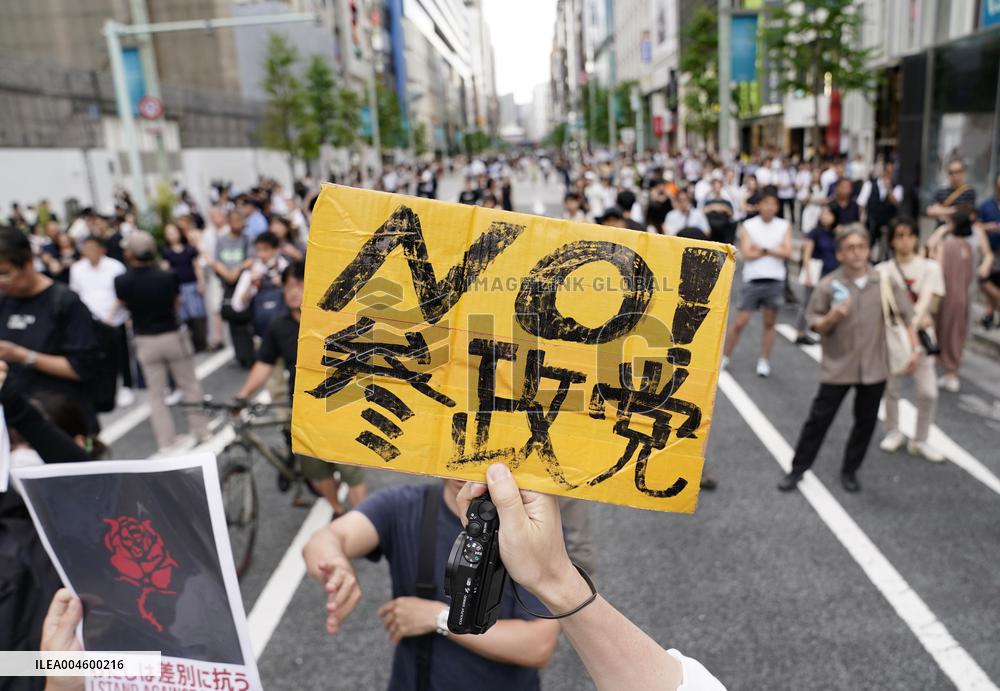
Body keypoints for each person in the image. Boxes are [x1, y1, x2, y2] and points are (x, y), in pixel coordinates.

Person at [302, 478, 562, 691]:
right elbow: (326, 539)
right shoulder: (403, 506)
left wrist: (437, 617)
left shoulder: (531, 529)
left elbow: (538, 645)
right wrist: (336, 566)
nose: (464, 471)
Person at [778, 225, 919, 493]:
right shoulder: (829, 285)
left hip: (875, 367)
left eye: (861, 247)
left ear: (869, 250)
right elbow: (813, 324)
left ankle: (850, 470)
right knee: (818, 420)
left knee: (865, 423)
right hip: (838, 366)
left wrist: (915, 349)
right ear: (840, 254)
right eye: (850, 248)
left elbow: (907, 315)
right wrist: (833, 316)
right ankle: (798, 469)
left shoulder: (883, 281)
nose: (856, 253)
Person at [235, 262, 368, 514]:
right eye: (287, 287)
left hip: (341, 405)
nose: (292, 292)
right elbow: (264, 364)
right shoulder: (279, 325)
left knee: (350, 471)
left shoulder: (333, 318)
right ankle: (337, 510)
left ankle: (363, 519)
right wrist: (242, 396)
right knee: (318, 471)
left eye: (298, 285)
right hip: (303, 411)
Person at [114, 231, 209, 452]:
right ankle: (201, 430)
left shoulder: (122, 281)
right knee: (189, 385)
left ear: (130, 254)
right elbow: (176, 303)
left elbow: (125, 306)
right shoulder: (168, 276)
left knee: (156, 395)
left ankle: (166, 441)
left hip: (145, 339)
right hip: (172, 334)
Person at [0, 227, 99, 430]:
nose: (1, 282)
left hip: (65, 421)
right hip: (18, 425)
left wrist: (23, 356)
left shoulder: (64, 302)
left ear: (28, 263)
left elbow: (81, 369)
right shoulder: (4, 301)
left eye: (4, 274)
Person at [876, 218, 945, 462]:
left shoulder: (930, 268)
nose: (905, 241)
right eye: (899, 236)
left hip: (923, 338)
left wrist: (915, 322)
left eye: (909, 235)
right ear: (892, 240)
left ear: (916, 238)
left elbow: (932, 302)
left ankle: (921, 439)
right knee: (891, 388)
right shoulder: (882, 271)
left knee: (929, 392)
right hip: (894, 338)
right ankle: (893, 431)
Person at [722, 191, 792, 377]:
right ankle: (725, 357)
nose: (769, 207)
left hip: (775, 279)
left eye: (773, 203)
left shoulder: (783, 225)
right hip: (753, 279)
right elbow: (747, 253)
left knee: (770, 323)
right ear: (759, 205)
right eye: (766, 203)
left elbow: (787, 251)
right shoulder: (749, 225)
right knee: (740, 322)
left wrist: (760, 248)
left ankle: (764, 360)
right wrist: (772, 250)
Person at [927, 205, 994, 393]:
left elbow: (935, 262)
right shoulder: (968, 246)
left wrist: (941, 231)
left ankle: (950, 372)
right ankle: (950, 370)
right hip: (964, 295)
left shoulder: (948, 244)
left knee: (946, 331)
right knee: (957, 332)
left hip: (947, 295)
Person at [68, 235, 133, 407]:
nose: (89, 252)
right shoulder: (77, 269)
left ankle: (126, 386)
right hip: (90, 320)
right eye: (85, 249)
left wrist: (112, 315)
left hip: (113, 318)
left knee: (121, 354)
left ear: (101, 249)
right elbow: (75, 294)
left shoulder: (114, 266)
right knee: (96, 356)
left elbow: (121, 293)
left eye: (92, 248)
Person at [213, 209, 255, 368]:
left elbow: (251, 259)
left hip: (242, 284)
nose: (238, 224)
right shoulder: (221, 240)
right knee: (232, 319)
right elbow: (216, 261)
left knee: (245, 319)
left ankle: (249, 354)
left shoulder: (247, 239)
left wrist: (237, 270)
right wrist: (226, 274)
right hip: (228, 285)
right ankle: (239, 355)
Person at [794, 206, 839, 345]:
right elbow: (807, 254)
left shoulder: (835, 234)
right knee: (808, 302)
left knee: (827, 303)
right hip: (816, 270)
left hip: (831, 272)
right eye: (823, 214)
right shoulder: (815, 232)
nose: (825, 217)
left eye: (829, 214)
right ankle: (801, 332)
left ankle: (821, 330)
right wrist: (807, 273)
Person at [162, 223, 208, 352]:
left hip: (192, 284)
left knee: (198, 314)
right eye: (169, 233)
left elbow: (196, 266)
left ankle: (201, 342)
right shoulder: (167, 252)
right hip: (178, 287)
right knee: (184, 317)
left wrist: (201, 282)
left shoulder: (189, 249)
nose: (171, 236)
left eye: (173, 232)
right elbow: (166, 270)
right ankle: (190, 343)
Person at [857, 161, 902, 260]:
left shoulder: (897, 187)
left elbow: (896, 203)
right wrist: (861, 222)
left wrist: (889, 188)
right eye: (887, 172)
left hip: (889, 221)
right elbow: (861, 204)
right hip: (872, 221)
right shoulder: (869, 185)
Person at [975, 174, 1000, 328]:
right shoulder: (986, 206)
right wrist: (988, 228)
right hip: (989, 251)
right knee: (984, 281)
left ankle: (989, 313)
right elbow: (976, 226)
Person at [927, 159, 976, 226]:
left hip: (961, 231)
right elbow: (930, 212)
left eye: (957, 172)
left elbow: (970, 215)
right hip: (943, 229)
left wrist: (941, 210)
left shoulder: (969, 192)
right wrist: (954, 210)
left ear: (963, 172)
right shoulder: (941, 191)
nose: (954, 175)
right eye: (951, 172)